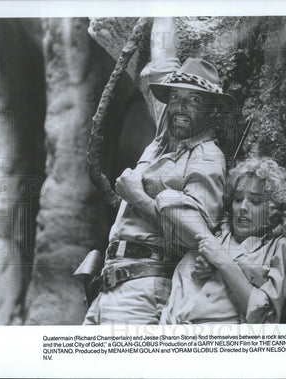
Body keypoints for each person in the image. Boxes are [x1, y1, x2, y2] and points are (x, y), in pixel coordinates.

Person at [83, 18, 237, 325]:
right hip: (108, 287)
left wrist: (138, 197)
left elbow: (197, 240)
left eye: (193, 100)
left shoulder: (206, 155)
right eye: (175, 98)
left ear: (209, 111)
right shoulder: (161, 141)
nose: (179, 107)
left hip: (145, 290)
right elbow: (162, 62)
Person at [160, 157, 286, 324]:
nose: (242, 208)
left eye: (255, 201)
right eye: (238, 199)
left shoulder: (281, 247)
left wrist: (223, 262)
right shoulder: (216, 233)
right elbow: (166, 199)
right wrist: (210, 242)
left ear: (273, 210)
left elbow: (264, 318)